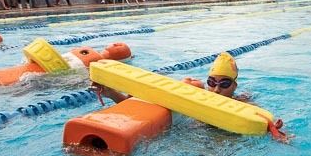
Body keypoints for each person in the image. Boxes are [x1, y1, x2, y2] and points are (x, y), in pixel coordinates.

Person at [93, 52, 245, 104]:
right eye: (211, 82)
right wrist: (111, 93)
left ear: (234, 86)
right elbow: (147, 107)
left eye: (224, 84)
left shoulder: (244, 104)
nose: (216, 89)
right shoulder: (195, 94)